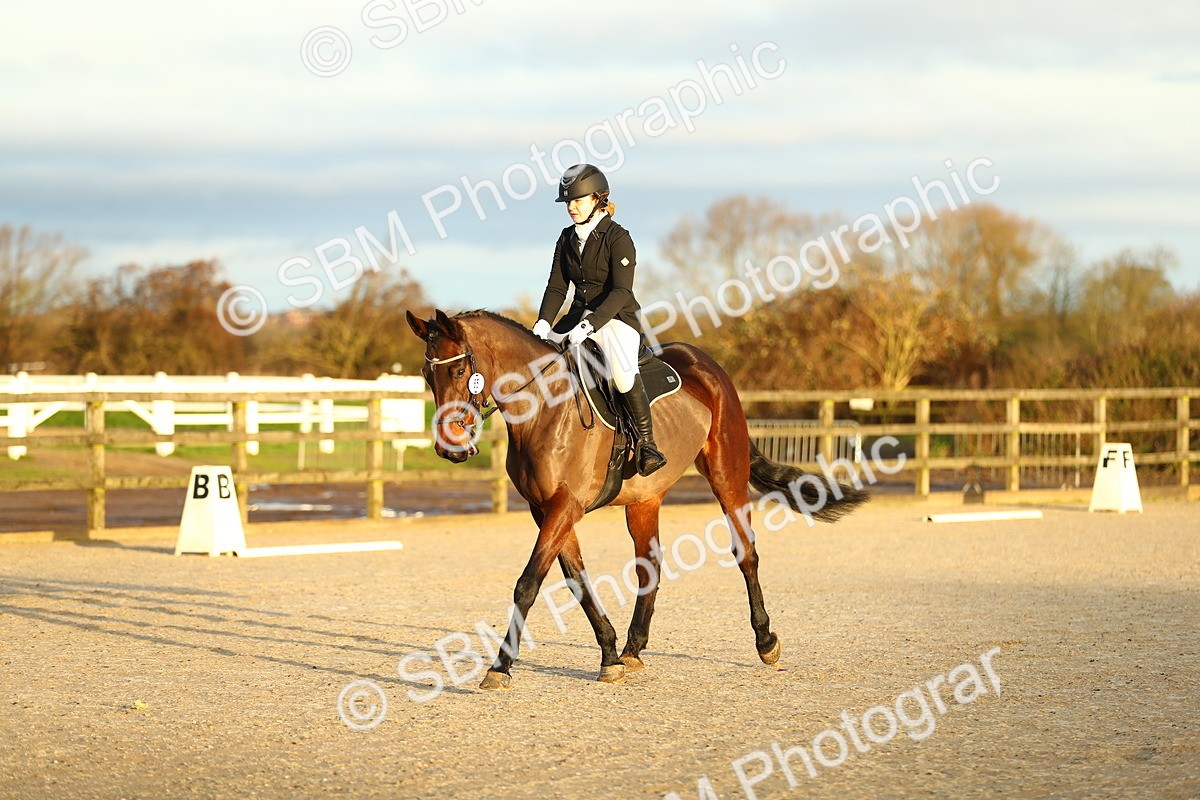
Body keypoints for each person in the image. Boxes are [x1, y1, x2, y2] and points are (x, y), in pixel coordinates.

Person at [532, 164, 667, 477]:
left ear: (597, 199)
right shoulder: (566, 239)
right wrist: (543, 323)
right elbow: (556, 287)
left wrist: (590, 325)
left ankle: (647, 444)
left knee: (621, 374)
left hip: (616, 318)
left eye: (578, 200)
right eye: (568, 202)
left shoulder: (618, 238)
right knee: (543, 363)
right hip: (575, 318)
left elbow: (621, 291)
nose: (571, 207)